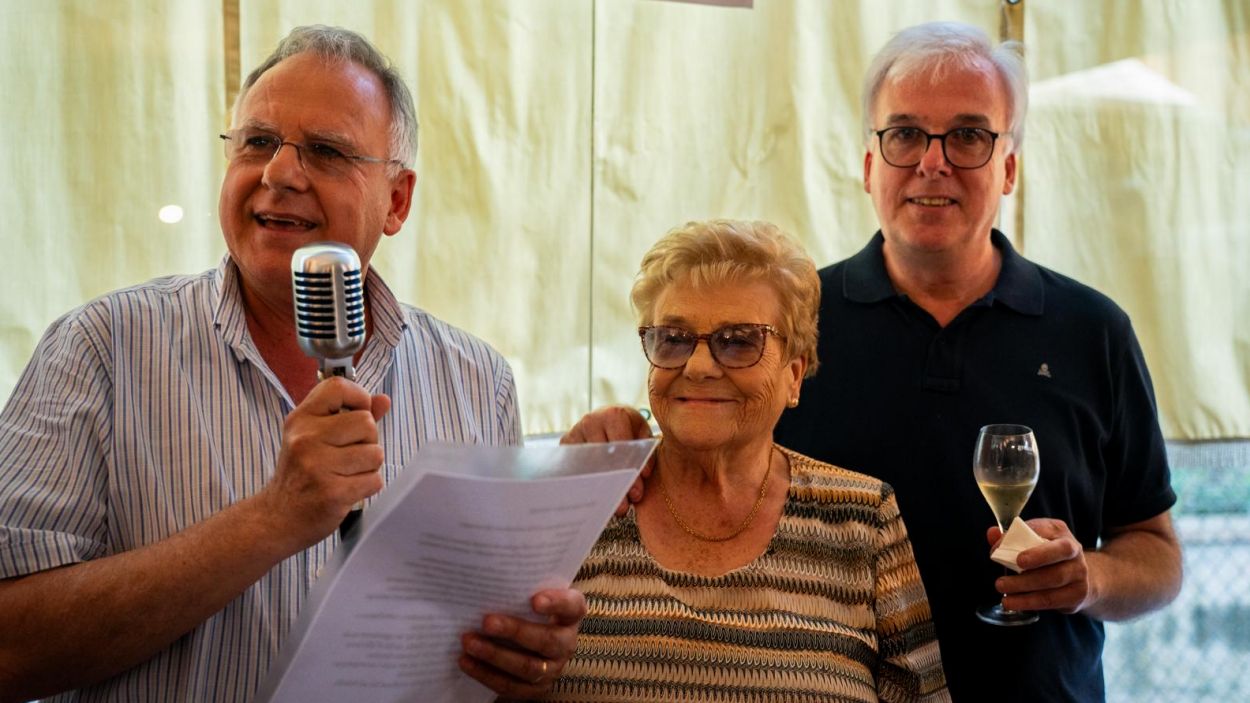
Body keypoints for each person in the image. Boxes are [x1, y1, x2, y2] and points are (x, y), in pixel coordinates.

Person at [564, 22, 1182, 702]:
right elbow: (698, 433)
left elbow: (1157, 551)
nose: (932, 162)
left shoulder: (1093, 331)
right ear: (868, 165)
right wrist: (617, 436)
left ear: (1010, 166)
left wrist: (1090, 578)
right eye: (906, 134)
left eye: (969, 135)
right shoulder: (784, 326)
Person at [0, 26, 581, 702]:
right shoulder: (100, 348)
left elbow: (489, 634)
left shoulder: (478, 381)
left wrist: (528, 658)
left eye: (327, 151)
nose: (278, 172)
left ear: (396, 201)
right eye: (256, 142)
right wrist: (273, 519)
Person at [545, 220, 948, 702]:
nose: (696, 367)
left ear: (794, 374)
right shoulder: (584, 502)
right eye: (672, 338)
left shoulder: (863, 518)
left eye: (738, 341)